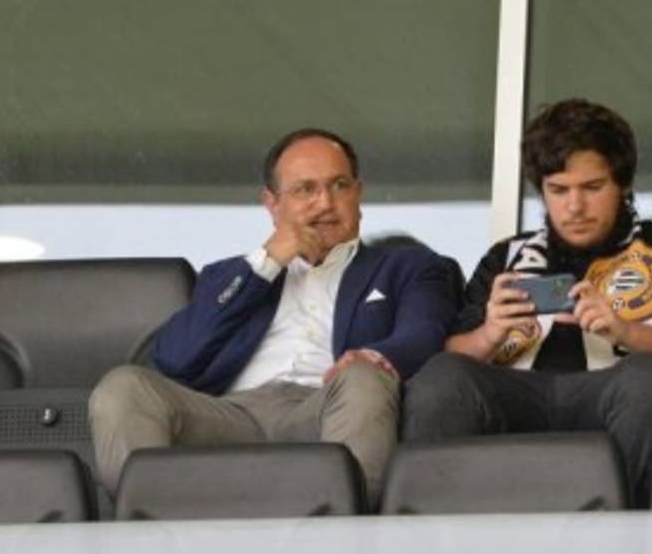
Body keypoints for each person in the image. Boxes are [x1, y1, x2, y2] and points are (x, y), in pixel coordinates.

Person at [89, 128, 457, 506]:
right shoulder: (227, 275)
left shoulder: (406, 265)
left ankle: (345, 524)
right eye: (305, 189)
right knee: (124, 387)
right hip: (230, 415)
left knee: (364, 376)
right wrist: (266, 262)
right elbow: (176, 358)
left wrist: (374, 358)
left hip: (329, 406)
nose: (325, 203)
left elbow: (423, 330)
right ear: (272, 204)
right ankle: (150, 521)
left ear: (358, 194)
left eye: (339, 185)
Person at [402, 99, 652, 505]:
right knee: (441, 379)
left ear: (623, 184)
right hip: (517, 394)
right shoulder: (506, 256)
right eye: (558, 190)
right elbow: (451, 357)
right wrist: (489, 334)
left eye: (592, 188)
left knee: (646, 380)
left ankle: (633, 533)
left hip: (617, 390)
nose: (575, 206)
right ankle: (436, 534)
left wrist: (626, 332)